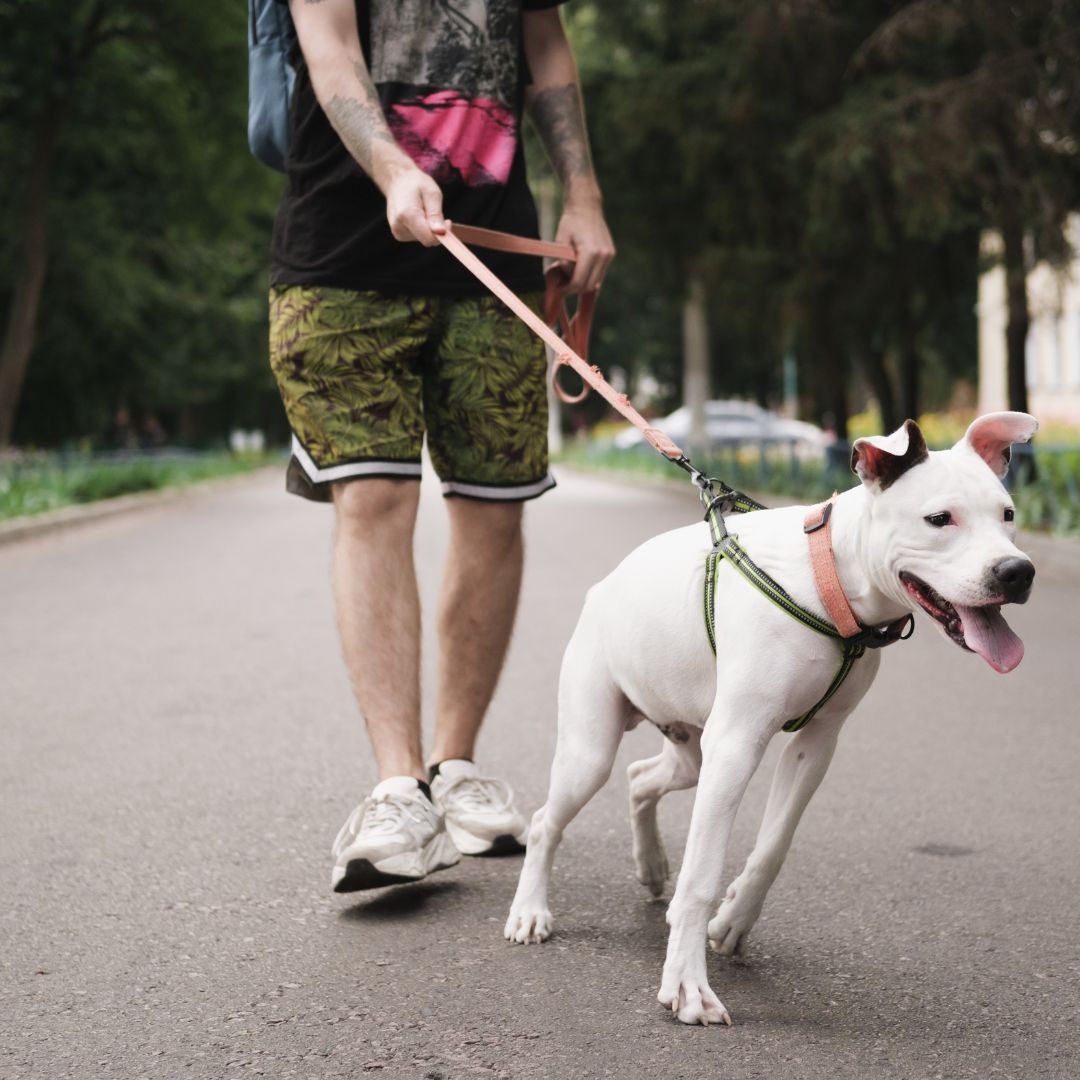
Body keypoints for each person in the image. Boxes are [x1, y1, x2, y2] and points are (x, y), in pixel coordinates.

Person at [267, 0, 614, 892]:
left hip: (496, 253)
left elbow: (542, 40)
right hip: (343, 252)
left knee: (495, 507)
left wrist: (583, 195)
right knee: (375, 497)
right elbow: (332, 48)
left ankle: (453, 767)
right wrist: (390, 167)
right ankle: (397, 788)